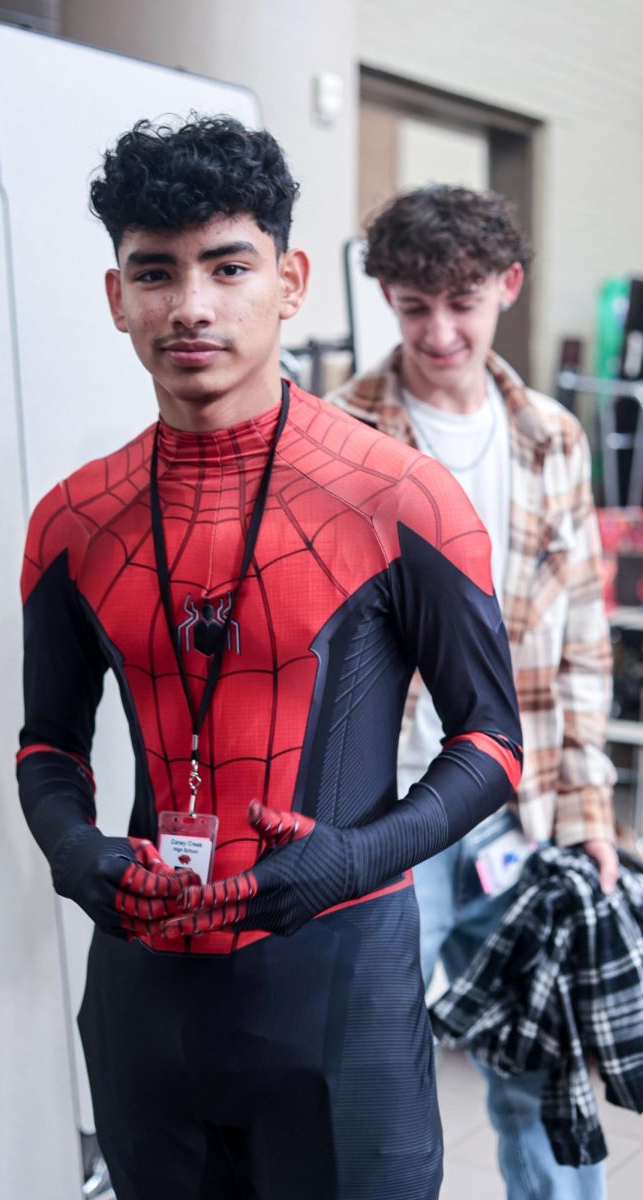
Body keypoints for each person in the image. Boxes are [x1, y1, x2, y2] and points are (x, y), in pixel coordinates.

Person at [16, 121, 522, 1200]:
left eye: (227, 267)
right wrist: (73, 851)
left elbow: (491, 745)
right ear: (117, 297)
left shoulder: (402, 497)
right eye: (154, 272)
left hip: (340, 994)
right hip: (144, 994)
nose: (191, 307)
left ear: (288, 282)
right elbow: (47, 745)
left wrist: (354, 856)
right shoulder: (71, 519)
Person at [328, 184, 618, 1200]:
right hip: (375, 806)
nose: (438, 332)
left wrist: (588, 814)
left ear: (507, 286)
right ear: (385, 301)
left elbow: (581, 639)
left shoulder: (549, 437)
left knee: (535, 1065)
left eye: (460, 303)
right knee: (364, 1066)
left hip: (515, 799)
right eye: (411, 306)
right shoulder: (334, 436)